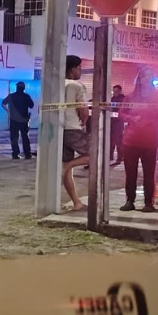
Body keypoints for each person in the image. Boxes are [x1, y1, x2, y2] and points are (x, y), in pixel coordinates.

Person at [120, 69, 158, 212]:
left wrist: (153, 123)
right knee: (130, 173)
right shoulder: (130, 97)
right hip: (130, 141)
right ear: (139, 79)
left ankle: (149, 203)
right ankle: (129, 201)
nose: (146, 79)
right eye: (144, 76)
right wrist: (131, 118)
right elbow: (121, 113)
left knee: (149, 174)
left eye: (149, 76)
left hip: (150, 141)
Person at [61, 55, 90, 211]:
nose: (81, 71)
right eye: (79, 68)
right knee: (97, 154)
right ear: (72, 69)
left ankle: (76, 202)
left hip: (58, 130)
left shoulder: (57, 84)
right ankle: (69, 165)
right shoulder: (77, 86)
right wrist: (84, 122)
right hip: (73, 128)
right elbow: (84, 110)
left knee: (66, 168)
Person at [1, 81, 34, 160]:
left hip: (13, 120)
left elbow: (3, 104)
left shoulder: (11, 96)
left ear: (16, 88)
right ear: (24, 88)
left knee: (14, 137)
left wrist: (8, 111)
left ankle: (15, 154)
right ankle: (27, 154)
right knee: (25, 137)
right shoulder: (26, 96)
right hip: (24, 120)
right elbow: (31, 106)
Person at [108, 84, 125, 166]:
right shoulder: (112, 98)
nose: (115, 93)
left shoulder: (123, 99)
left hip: (118, 122)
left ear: (120, 91)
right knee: (111, 140)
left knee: (118, 140)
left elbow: (118, 109)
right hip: (112, 121)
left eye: (117, 91)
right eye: (114, 91)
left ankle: (120, 157)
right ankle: (110, 156)